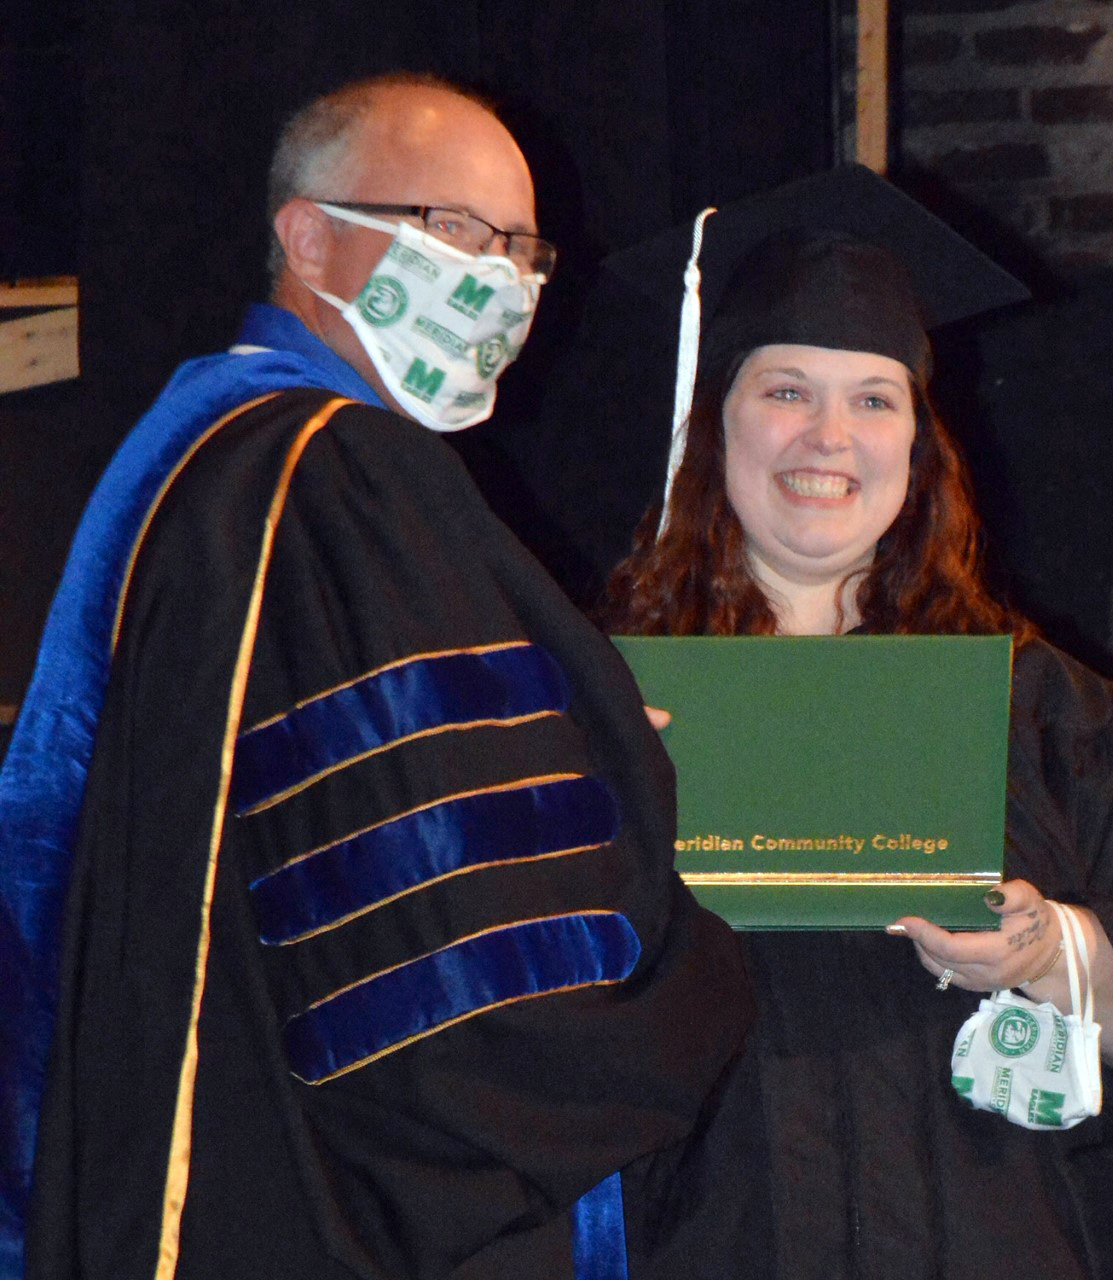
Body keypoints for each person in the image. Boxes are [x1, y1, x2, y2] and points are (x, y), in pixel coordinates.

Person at [0, 73, 751, 1279]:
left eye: (524, 246)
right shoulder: (336, 476)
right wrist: (698, 989)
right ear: (309, 235)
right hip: (339, 1201)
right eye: (455, 230)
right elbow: (448, 946)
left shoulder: (204, 446)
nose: (499, 277)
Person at [602, 168, 1113, 1278]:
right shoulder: (603, 703)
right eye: (783, 391)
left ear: (920, 448)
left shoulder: (1052, 716)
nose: (827, 436)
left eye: (874, 398)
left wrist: (1061, 951)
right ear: (711, 422)